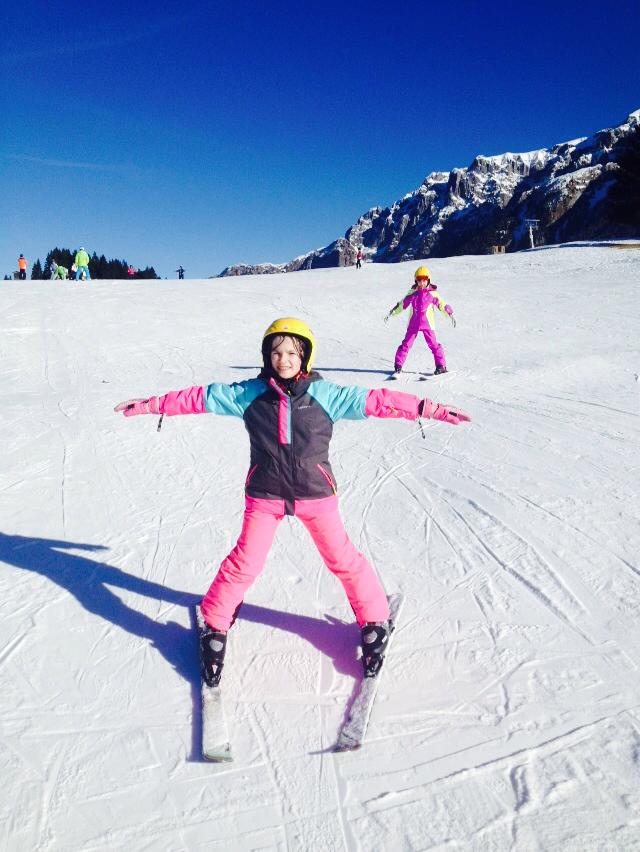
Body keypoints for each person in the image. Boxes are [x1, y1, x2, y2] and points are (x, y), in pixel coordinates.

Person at [114, 317, 470, 686]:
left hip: (315, 494)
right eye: (276, 352)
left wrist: (427, 407)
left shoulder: (327, 395)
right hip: (265, 494)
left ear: (305, 356)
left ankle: (375, 620)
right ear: (267, 357)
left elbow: (379, 401)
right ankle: (215, 623)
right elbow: (200, 397)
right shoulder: (249, 394)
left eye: (291, 352)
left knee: (342, 559)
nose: (283, 359)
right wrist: (154, 404)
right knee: (245, 563)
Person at [385, 265, 456, 375]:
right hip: (413, 323)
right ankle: (398, 365)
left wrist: (450, 314)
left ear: (428, 280)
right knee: (406, 344)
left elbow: (442, 305)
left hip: (428, 324)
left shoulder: (432, 294)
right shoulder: (412, 293)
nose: (421, 283)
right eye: (419, 281)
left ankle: (441, 366)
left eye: (424, 280)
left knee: (434, 345)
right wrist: (392, 312)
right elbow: (402, 304)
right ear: (416, 281)